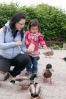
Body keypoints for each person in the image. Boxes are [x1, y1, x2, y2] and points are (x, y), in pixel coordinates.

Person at [0, 12, 31, 79]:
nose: (22, 26)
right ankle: (4, 71)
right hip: (4, 57)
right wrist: (14, 44)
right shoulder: (3, 30)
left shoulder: (22, 32)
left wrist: (27, 50)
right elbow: (1, 45)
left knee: (26, 58)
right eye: (21, 24)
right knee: (2, 77)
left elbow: (22, 46)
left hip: (15, 57)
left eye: (24, 24)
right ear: (15, 22)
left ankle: (14, 73)